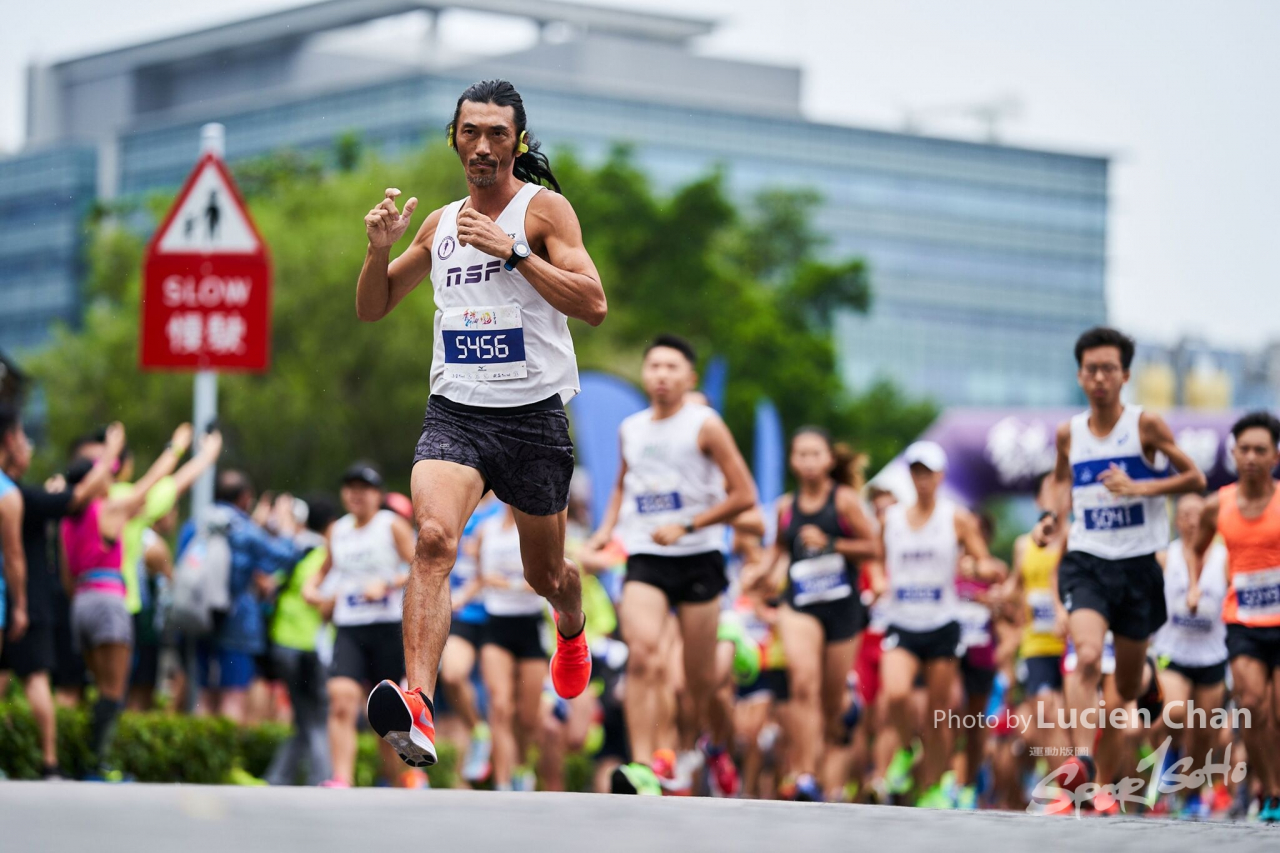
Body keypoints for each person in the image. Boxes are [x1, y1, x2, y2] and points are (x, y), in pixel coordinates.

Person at [356, 79, 606, 768]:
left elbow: (594, 303)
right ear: (455, 140)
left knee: (544, 573)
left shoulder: (543, 212)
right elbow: (374, 307)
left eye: (500, 133)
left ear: (517, 142)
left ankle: (571, 619)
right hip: (457, 410)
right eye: (472, 131)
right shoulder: (437, 226)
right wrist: (378, 250)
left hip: (531, 418)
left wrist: (514, 252)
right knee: (433, 539)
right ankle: (419, 704)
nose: (485, 145)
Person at [1034, 327, 1206, 795]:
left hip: (1137, 565)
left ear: (1125, 374)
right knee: (1087, 656)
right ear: (1080, 375)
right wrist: (1050, 518)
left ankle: (1146, 681)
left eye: (1109, 368)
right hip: (1087, 559)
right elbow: (1057, 481)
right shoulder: (1069, 432)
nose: (1100, 377)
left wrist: (1142, 487)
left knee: (1127, 688)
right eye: (1091, 369)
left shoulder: (1144, 426)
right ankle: (1081, 760)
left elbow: (1195, 476)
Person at [591, 334, 757, 795]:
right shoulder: (632, 428)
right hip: (646, 554)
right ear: (645, 374)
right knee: (643, 657)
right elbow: (623, 485)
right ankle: (643, 763)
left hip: (699, 557)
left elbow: (745, 495)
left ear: (690, 377)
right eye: (654, 366)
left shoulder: (705, 425)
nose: (661, 375)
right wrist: (607, 530)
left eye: (672, 367)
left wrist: (689, 524)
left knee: (697, 682)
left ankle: (690, 746)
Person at [60, 422, 201, 778]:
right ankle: (97, 762)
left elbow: (66, 573)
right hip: (109, 601)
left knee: (94, 686)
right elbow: (149, 483)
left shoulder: (68, 520)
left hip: (80, 601)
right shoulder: (105, 510)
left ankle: (85, 756)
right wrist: (176, 447)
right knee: (114, 690)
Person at [744, 428, 877, 802]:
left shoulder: (846, 501)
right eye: (801, 455)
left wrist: (832, 543)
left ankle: (834, 747)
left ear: (829, 460)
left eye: (815, 454)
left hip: (842, 608)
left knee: (832, 701)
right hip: (800, 604)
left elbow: (873, 547)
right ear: (792, 461)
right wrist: (760, 574)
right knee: (804, 683)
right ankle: (805, 773)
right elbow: (777, 550)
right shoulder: (786, 507)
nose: (807, 461)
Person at [0, 409, 124, 777]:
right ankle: (50, 761)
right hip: (23, 601)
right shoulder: (13, 494)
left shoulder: (18, 493)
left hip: (15, 601)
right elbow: (77, 498)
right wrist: (111, 453)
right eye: (24, 440)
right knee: (37, 678)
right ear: (9, 442)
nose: (28, 449)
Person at [879, 440, 996, 809]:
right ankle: (906, 747)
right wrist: (877, 579)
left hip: (942, 623)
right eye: (916, 472)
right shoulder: (892, 518)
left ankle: (932, 785)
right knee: (895, 694)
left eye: (928, 472)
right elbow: (873, 560)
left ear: (941, 476)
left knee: (938, 714)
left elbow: (984, 561)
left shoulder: (956, 517)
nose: (922, 479)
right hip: (902, 620)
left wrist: (978, 568)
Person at [1189, 411, 1280, 823]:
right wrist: (1195, 583)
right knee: (1253, 706)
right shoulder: (1217, 504)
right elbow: (1197, 547)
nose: (1251, 457)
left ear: (1275, 455)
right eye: (1244, 449)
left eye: (1260, 449)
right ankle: (1273, 793)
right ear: (1233, 453)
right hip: (1242, 620)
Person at [303, 464, 414, 787]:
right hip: (350, 628)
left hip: (387, 627)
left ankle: (394, 777)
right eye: (350, 488)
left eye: (363, 488)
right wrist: (311, 590)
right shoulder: (337, 530)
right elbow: (323, 572)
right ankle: (342, 778)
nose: (356, 494)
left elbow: (419, 566)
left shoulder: (390, 525)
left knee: (386, 715)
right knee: (341, 699)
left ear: (377, 494)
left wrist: (388, 584)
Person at [198, 470, 307, 723]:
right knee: (233, 696)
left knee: (204, 696)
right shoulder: (244, 530)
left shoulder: (198, 523)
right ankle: (227, 761)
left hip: (199, 618)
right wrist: (286, 524)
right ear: (245, 498)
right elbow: (284, 557)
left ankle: (200, 759)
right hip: (236, 622)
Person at [1151, 494, 1228, 817]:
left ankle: (1190, 793)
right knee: (1176, 711)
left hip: (1212, 655)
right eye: (1185, 514)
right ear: (1177, 521)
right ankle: (1166, 762)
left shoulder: (1225, 557)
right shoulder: (1165, 557)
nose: (1193, 520)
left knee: (1205, 731)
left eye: (1199, 514)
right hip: (1173, 652)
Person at [474, 502, 551, 790]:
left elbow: (548, 578)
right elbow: (480, 576)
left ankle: (521, 767)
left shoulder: (541, 528)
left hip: (530, 625)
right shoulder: (486, 530)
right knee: (500, 705)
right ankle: (503, 781)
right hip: (497, 623)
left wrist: (511, 585)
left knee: (528, 717)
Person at [265, 496, 337, 787]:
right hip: (309, 648)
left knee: (303, 717)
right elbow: (324, 606)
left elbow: (269, 583)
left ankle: (278, 777)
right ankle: (323, 777)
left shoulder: (298, 550)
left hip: (283, 642)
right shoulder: (324, 557)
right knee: (317, 717)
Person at [0, 402, 29, 668]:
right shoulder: (7, 495)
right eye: (21, 435)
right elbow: (13, 555)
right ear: (9, 439)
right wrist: (20, 604)